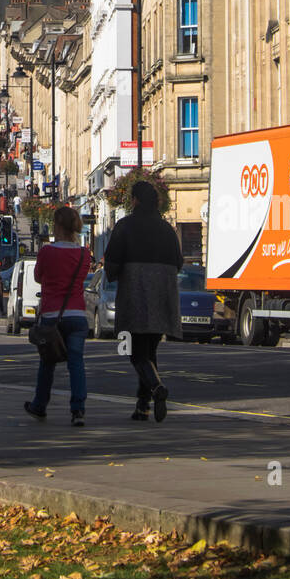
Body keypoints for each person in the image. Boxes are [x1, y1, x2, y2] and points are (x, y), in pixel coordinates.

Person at [103, 181, 184, 423]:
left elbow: (112, 264)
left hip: (135, 292)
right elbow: (178, 263)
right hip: (162, 295)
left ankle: (156, 388)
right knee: (150, 351)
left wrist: (117, 272)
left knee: (134, 351)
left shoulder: (125, 226)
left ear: (136, 200)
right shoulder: (167, 230)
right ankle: (143, 406)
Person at [25, 206, 91, 426]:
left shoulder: (46, 252)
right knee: (76, 363)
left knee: (47, 363)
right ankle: (78, 410)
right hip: (77, 315)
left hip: (52, 315)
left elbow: (38, 276)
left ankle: (39, 405)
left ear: (57, 225)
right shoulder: (84, 253)